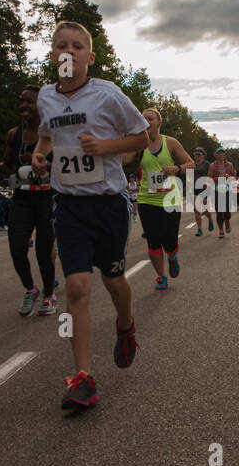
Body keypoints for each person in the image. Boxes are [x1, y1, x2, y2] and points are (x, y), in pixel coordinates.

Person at [29, 20, 149, 410]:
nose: (69, 52)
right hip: (68, 205)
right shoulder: (46, 96)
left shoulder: (107, 94)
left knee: (114, 281)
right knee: (77, 287)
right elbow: (47, 133)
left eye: (77, 46)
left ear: (90, 56)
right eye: (61, 46)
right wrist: (41, 153)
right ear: (52, 55)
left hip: (109, 202)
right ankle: (82, 377)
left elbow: (141, 137)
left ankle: (125, 325)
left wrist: (105, 146)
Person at [0, 85, 57, 316]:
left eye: (29, 102)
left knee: (44, 252)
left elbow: (66, 168)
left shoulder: (53, 134)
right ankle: (30, 288)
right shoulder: (14, 135)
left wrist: (44, 165)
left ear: (41, 105)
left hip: (47, 198)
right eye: (21, 101)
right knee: (16, 249)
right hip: (22, 198)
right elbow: (9, 166)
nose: (23, 106)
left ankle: (48, 294)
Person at [125, 106, 194, 290]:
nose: (146, 121)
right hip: (147, 199)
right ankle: (161, 276)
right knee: (153, 240)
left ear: (159, 122)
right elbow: (124, 161)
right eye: (143, 118)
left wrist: (176, 169)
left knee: (170, 241)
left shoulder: (170, 143)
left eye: (150, 118)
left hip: (169, 199)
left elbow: (190, 163)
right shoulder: (138, 144)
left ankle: (172, 257)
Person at [209, 147, 237, 237]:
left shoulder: (229, 165)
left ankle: (227, 221)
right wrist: (217, 179)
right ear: (215, 155)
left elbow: (235, 176)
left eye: (222, 153)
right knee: (219, 212)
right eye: (219, 153)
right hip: (217, 191)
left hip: (228, 190)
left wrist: (229, 177)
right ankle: (221, 230)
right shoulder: (212, 166)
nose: (221, 155)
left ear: (224, 155)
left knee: (227, 213)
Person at [191, 147, 214, 235]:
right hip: (195, 188)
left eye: (199, 154)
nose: (197, 156)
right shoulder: (192, 163)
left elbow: (210, 176)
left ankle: (210, 219)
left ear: (203, 155)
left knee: (204, 210)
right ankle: (199, 229)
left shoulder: (207, 164)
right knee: (197, 210)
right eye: (196, 154)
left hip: (205, 188)